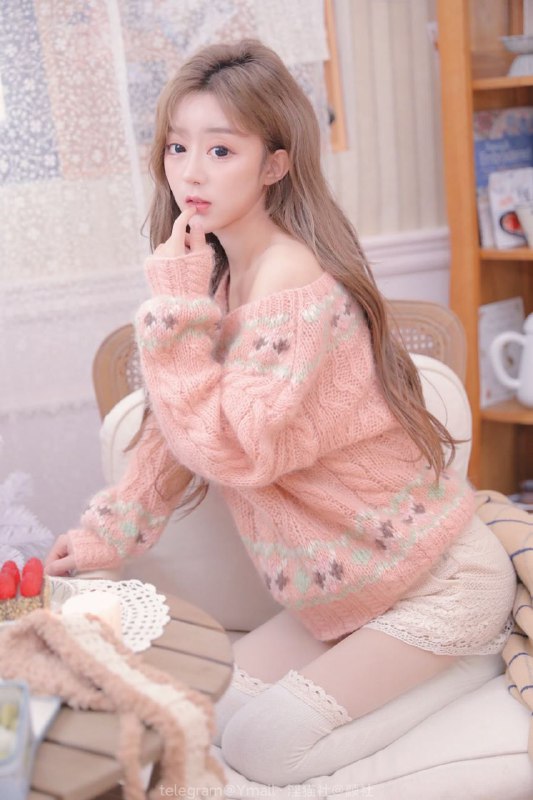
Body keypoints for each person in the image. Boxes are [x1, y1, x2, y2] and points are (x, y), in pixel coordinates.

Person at [45, 39, 516, 786]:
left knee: (262, 748)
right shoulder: (219, 280)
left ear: (274, 163)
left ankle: (474, 658)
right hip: (352, 593)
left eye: (220, 150)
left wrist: (173, 306)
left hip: (437, 583)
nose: (190, 172)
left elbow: (238, 452)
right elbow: (175, 433)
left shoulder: (290, 281)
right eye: (177, 146)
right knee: (207, 718)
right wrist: (105, 537)